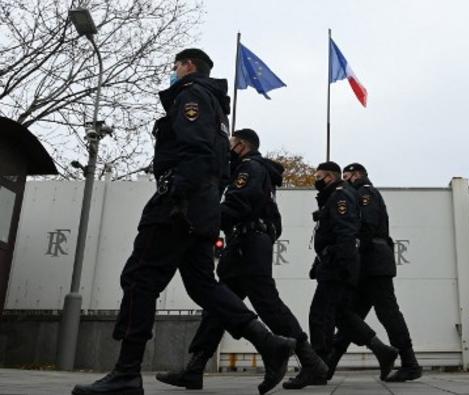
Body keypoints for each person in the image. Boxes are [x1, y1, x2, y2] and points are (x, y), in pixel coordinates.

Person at [72, 49, 294, 395]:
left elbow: (198, 152)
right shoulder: (217, 108)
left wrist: (175, 193)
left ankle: (127, 372)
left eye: (175, 66)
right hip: (203, 209)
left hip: (179, 205)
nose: (173, 72)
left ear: (188, 66)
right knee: (204, 285)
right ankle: (269, 343)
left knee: (140, 279)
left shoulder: (192, 95)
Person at [155, 129, 328, 391]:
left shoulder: (250, 168)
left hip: (248, 244)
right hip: (243, 244)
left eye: (231, 144)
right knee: (219, 307)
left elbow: (239, 203)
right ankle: (195, 367)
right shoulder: (256, 170)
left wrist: (204, 218)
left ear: (243, 146)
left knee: (266, 303)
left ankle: (310, 360)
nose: (228, 149)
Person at [326, 163, 422, 382]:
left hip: (374, 261)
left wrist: (352, 251)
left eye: (347, 176)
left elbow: (366, 226)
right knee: (350, 315)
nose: (345, 180)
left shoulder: (365, 192)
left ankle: (410, 363)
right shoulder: (359, 192)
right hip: (367, 262)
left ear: (357, 175)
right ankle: (329, 363)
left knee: (387, 313)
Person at [307, 161, 398, 382]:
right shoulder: (335, 195)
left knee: (320, 315)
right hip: (337, 264)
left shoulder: (340, 196)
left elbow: (346, 233)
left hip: (338, 266)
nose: (316, 180)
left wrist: (344, 266)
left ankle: (316, 367)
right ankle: (382, 351)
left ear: (329, 176)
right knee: (342, 315)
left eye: (319, 176)